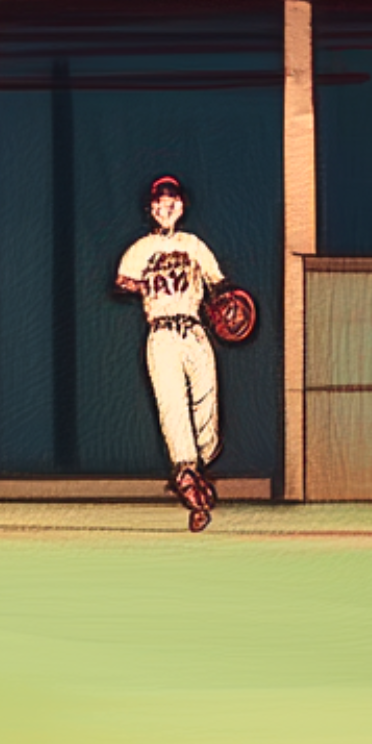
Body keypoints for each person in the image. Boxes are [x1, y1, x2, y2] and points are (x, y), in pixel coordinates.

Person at [113, 168, 227, 532]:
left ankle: (200, 464)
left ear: (181, 206)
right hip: (161, 333)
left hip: (194, 329)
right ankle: (187, 474)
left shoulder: (194, 245)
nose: (166, 206)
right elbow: (120, 281)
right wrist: (137, 285)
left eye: (172, 200)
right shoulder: (141, 249)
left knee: (207, 406)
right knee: (173, 406)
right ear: (151, 208)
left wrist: (225, 305)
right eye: (160, 201)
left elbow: (219, 284)